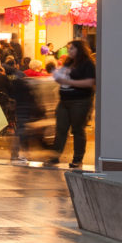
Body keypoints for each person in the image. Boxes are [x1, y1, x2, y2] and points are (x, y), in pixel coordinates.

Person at [45, 38, 96, 169]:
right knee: (61, 128)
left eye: (72, 48)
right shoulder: (68, 62)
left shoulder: (87, 63)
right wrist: (58, 77)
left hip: (80, 101)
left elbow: (89, 83)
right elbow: (63, 77)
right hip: (64, 101)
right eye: (68, 48)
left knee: (78, 129)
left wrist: (69, 82)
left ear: (80, 49)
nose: (69, 51)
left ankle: (77, 159)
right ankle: (55, 156)